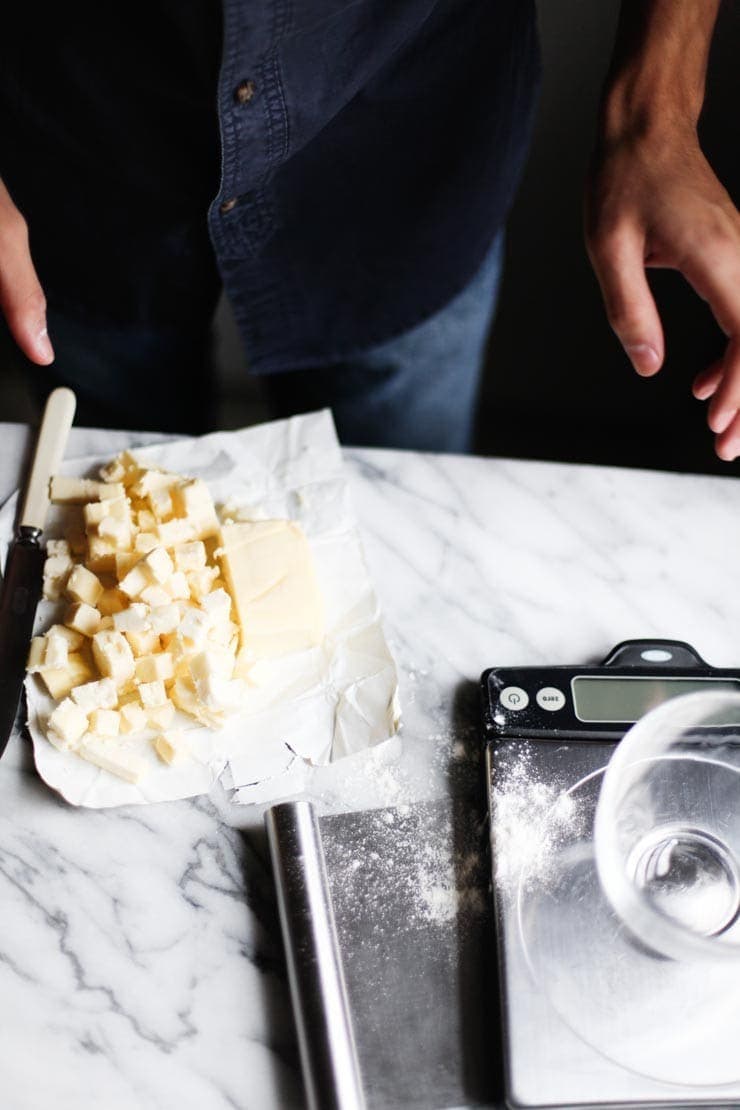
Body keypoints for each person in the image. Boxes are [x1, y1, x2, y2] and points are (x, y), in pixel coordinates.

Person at [0, 1, 738, 459]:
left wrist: (658, 116)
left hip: (410, 148)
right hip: (71, 158)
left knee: (395, 533)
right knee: (108, 501)